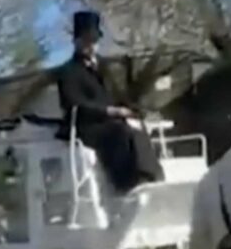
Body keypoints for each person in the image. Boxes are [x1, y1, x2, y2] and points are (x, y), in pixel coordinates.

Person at [57, 10, 163, 193]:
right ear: (77, 42)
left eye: (94, 41)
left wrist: (137, 110)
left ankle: (151, 175)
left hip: (109, 121)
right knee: (120, 131)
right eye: (87, 41)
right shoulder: (68, 72)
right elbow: (74, 103)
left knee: (137, 126)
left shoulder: (105, 68)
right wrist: (109, 112)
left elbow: (118, 96)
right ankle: (124, 183)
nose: (91, 46)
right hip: (87, 125)